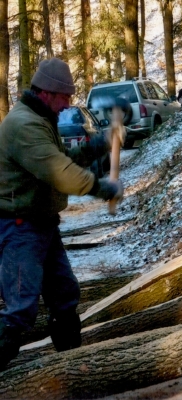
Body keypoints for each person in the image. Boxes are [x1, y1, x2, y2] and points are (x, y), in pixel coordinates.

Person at [0, 57, 124, 370]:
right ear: (46, 93)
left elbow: (62, 157)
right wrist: (100, 187)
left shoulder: (40, 120)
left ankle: (72, 368)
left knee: (65, 297)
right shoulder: (24, 125)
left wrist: (99, 144)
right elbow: (59, 171)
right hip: (20, 227)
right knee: (19, 312)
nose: (67, 105)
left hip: (41, 224)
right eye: (64, 98)